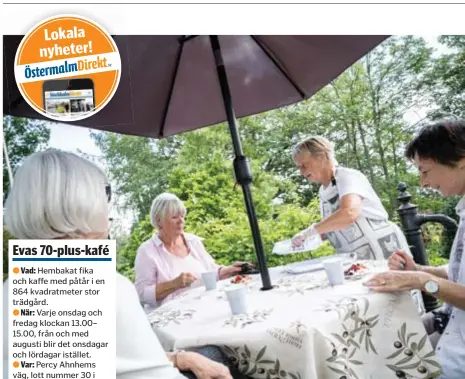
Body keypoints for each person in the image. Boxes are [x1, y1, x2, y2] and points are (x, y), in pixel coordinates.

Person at [2, 149, 232, 379]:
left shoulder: (11, 289)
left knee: (203, 355)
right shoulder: (102, 284)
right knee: (218, 355)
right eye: (105, 196)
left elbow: (98, 359)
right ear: (86, 205)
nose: (108, 208)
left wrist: (179, 358)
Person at [364, 119, 465, 379]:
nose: (422, 183)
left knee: (378, 364)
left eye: (425, 171)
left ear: (461, 159)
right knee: (375, 346)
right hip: (450, 325)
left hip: (458, 352)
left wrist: (422, 281)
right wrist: (418, 269)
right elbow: (458, 271)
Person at [291, 135, 410, 260]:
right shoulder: (323, 191)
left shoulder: (347, 176)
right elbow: (336, 226)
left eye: (304, 165)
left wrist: (310, 231)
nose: (301, 172)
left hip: (385, 252)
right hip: (356, 258)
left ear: (322, 157)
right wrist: (313, 237)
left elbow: (349, 213)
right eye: (299, 167)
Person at [135, 193, 253, 311]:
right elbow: (142, 294)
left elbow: (211, 272)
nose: (181, 221)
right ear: (159, 221)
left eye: (182, 216)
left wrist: (230, 269)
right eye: (175, 217)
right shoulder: (147, 251)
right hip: (172, 316)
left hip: (205, 306)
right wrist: (174, 284)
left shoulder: (193, 241)